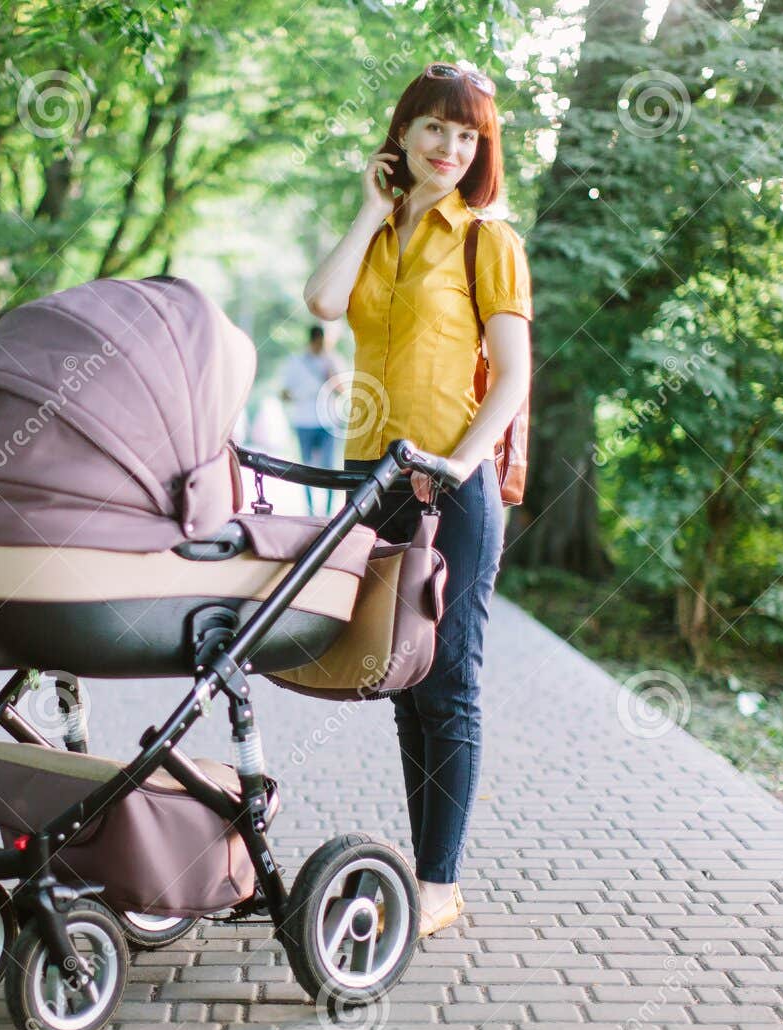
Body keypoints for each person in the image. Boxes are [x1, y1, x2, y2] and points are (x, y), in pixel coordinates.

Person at [301, 62, 534, 938]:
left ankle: (439, 881)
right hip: (377, 479)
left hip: (456, 484)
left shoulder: (486, 240)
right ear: (403, 133)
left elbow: (510, 378)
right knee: (403, 679)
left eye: (467, 134)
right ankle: (427, 867)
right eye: (435, 127)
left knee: (450, 679)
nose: (450, 147)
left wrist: (463, 461)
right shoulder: (384, 232)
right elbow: (323, 301)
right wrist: (372, 205)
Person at [280, 324, 343, 516]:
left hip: (328, 422)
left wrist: (330, 375)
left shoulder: (333, 361)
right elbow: (283, 394)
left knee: (330, 468)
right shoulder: (296, 362)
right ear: (312, 341)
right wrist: (299, 395)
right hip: (304, 420)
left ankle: (328, 513)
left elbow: (342, 390)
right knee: (305, 468)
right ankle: (310, 512)